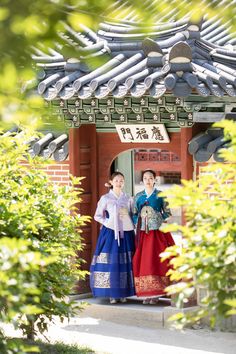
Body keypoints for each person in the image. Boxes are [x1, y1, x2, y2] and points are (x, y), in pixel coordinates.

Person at [90, 172, 136, 304]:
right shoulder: (105, 198)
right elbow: (97, 216)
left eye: (121, 180)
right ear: (111, 182)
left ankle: (123, 293)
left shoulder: (128, 198)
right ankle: (112, 293)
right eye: (116, 180)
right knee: (111, 262)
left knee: (125, 263)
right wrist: (108, 222)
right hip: (110, 232)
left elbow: (132, 214)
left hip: (126, 232)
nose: (119, 183)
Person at [132, 169, 175, 304]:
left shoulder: (161, 195)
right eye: (145, 178)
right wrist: (137, 221)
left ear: (154, 180)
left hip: (157, 232)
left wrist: (157, 218)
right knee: (144, 260)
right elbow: (134, 213)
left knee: (157, 259)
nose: (148, 180)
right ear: (142, 180)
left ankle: (157, 293)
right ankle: (147, 293)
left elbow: (167, 212)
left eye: (151, 178)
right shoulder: (138, 196)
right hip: (143, 233)